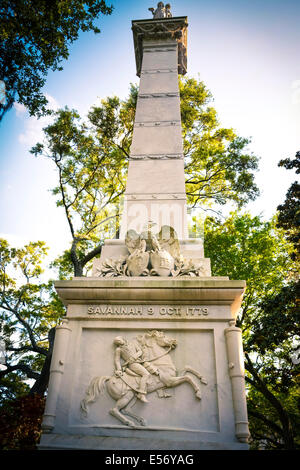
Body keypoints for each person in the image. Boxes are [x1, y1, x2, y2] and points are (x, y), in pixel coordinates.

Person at [113, 336, 151, 403]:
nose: (118, 342)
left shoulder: (133, 343)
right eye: (117, 342)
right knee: (146, 374)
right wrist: (119, 369)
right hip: (132, 364)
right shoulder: (118, 349)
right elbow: (117, 360)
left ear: (122, 339)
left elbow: (140, 351)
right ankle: (141, 393)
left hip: (140, 361)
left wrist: (134, 356)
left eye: (119, 340)